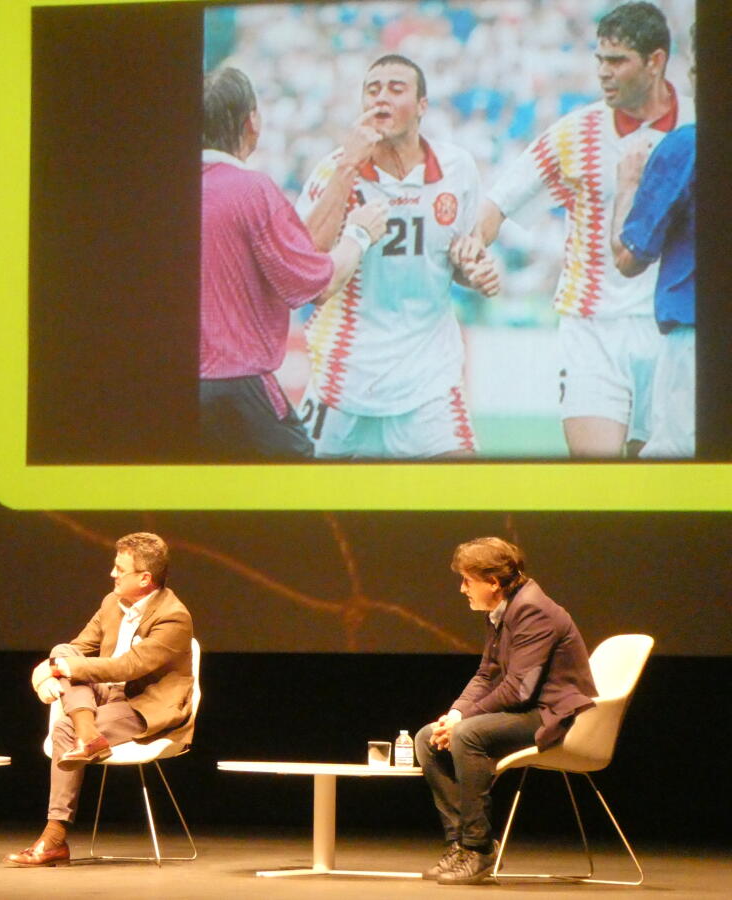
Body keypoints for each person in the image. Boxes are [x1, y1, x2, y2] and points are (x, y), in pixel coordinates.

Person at [467, 2, 694, 458]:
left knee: (654, 487)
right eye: (599, 60)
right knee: (597, 475)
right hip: (593, 325)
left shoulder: (696, 127)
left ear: (655, 61)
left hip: (668, 328)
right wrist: (473, 253)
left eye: (617, 61)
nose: (604, 73)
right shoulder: (576, 133)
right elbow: (498, 202)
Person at [294, 54, 500, 459]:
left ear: (422, 106)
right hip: (345, 379)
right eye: (372, 90)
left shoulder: (457, 169)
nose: (381, 98)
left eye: (395, 88)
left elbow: (456, 255)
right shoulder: (335, 170)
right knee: (307, 514)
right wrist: (349, 166)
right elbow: (306, 264)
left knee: (470, 505)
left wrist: (473, 270)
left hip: (428, 381)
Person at [200, 66, 386, 460]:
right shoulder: (251, 190)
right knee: (300, 507)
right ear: (253, 122)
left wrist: (346, 168)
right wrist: (359, 233)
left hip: (179, 393)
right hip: (241, 390)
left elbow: (300, 249)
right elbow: (314, 284)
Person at [415, 538, 597, 885]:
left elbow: (520, 689)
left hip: (553, 713)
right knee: (427, 737)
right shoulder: (503, 611)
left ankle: (478, 847)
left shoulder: (533, 610)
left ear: (493, 583)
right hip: (526, 709)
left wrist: (463, 723)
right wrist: (455, 713)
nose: (462, 588)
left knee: (467, 735)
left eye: (468, 580)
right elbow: (487, 674)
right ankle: (458, 844)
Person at [5, 532, 194, 867]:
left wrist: (60, 669)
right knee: (64, 651)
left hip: (145, 703)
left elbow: (129, 665)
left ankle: (54, 839)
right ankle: (90, 736)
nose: (112, 574)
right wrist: (49, 669)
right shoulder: (111, 603)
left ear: (145, 578)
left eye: (120, 569)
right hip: (106, 696)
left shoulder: (174, 616)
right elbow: (76, 649)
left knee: (65, 727)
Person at [610, 24, 695, 458]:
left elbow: (627, 258)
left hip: (696, 335)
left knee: (673, 466)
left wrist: (628, 185)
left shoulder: (687, 146)